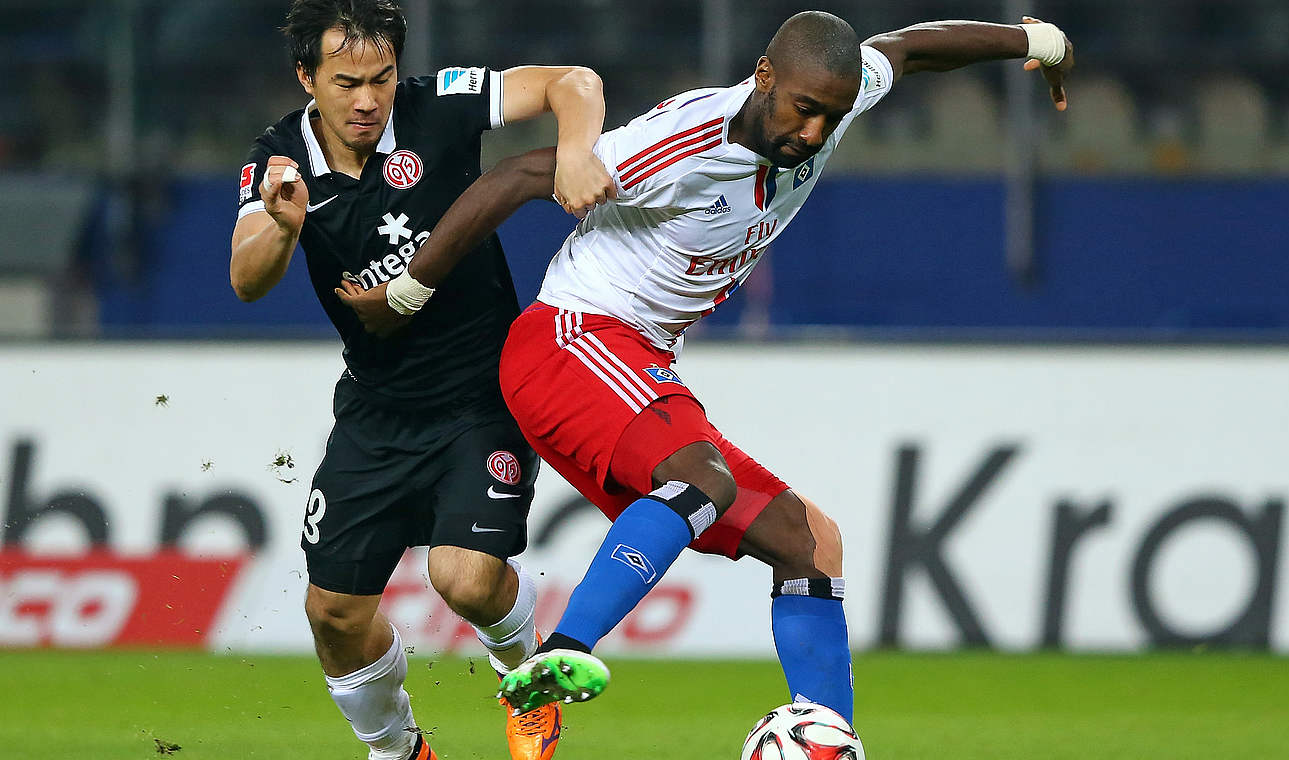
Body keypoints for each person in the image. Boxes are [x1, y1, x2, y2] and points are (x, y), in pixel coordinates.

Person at [338, 10, 1074, 734]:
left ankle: (829, 742)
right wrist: (408, 291)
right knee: (704, 481)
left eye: (832, 116)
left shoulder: (830, 100)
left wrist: (1037, 41)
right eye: (805, 110)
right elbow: (517, 174)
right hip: (569, 341)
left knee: (808, 541)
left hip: (636, 359)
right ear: (763, 77)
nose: (814, 134)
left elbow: (907, 49)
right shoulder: (680, 145)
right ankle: (562, 654)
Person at [228, 1, 613, 759]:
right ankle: (399, 749)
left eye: (381, 78)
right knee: (334, 612)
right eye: (345, 83)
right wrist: (280, 225)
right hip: (377, 411)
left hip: (484, 395)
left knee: (465, 580)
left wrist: (573, 151)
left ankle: (526, 675)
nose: (368, 99)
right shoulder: (279, 160)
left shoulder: (440, 105)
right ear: (306, 77)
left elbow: (575, 80)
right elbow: (246, 278)